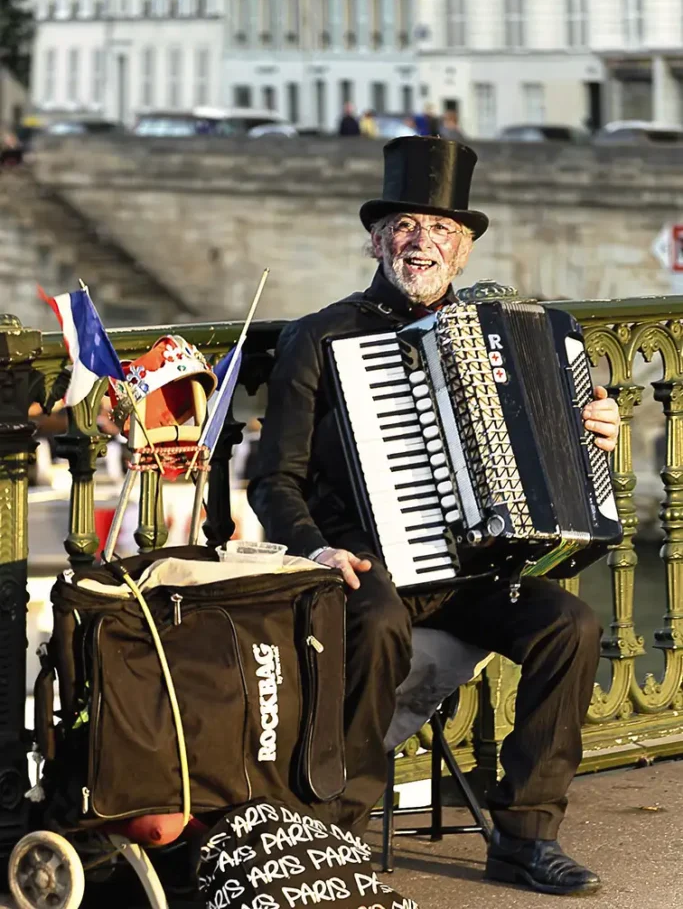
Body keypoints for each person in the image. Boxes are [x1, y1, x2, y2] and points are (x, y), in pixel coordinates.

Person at [248, 137, 620, 897]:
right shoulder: (320, 337)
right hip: (363, 562)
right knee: (377, 618)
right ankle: (337, 833)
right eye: (406, 226)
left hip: (475, 569)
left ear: (464, 250)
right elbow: (272, 480)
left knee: (570, 627)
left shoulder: (501, 335)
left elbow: (549, 460)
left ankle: (524, 836)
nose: (421, 242)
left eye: (441, 230)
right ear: (376, 240)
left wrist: (593, 436)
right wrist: (317, 551)